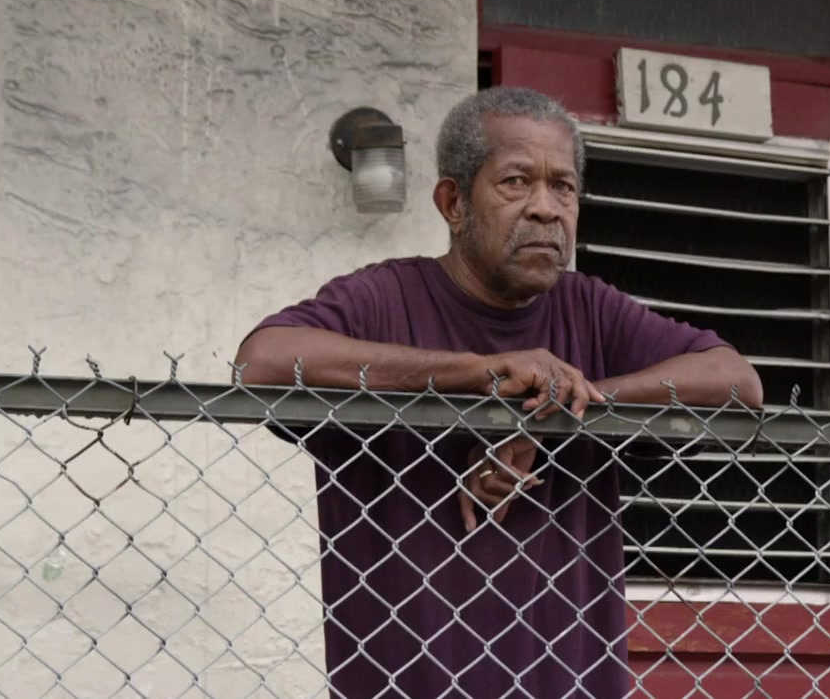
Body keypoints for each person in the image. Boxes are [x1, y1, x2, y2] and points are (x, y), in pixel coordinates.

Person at [234, 86, 763, 698]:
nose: (546, 209)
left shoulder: (590, 310)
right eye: (516, 182)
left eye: (563, 187)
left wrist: (566, 402)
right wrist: (479, 373)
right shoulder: (383, 300)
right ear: (453, 203)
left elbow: (737, 381)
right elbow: (263, 362)